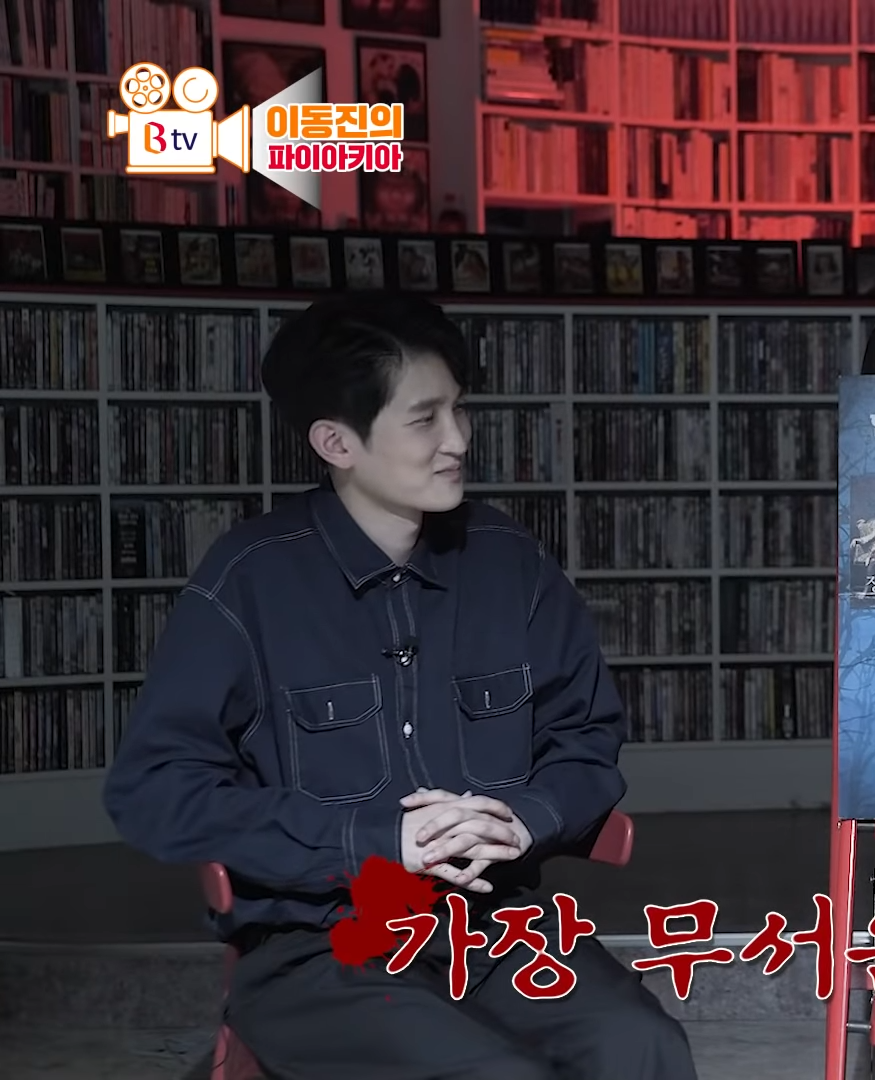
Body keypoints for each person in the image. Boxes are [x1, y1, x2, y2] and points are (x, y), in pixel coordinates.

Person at [102, 292, 697, 1080]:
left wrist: (525, 819)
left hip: (496, 932)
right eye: (425, 419)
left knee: (644, 1046)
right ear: (337, 442)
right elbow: (155, 790)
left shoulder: (510, 563)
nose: (459, 439)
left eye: (459, 408)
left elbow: (585, 740)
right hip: (319, 949)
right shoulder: (248, 581)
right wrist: (374, 841)